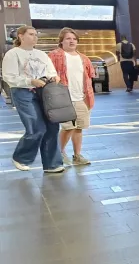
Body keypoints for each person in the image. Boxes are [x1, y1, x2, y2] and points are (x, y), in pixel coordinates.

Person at [0, 26, 64, 173]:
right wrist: (30, 81)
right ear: (21, 36)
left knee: (52, 127)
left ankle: (52, 164)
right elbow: (9, 77)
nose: (35, 37)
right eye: (31, 34)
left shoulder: (41, 54)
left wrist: (54, 77)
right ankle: (21, 157)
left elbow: (51, 71)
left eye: (36, 34)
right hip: (23, 93)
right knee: (36, 127)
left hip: (44, 92)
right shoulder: (12, 54)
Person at [49, 28, 95, 166]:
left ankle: (77, 155)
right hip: (63, 98)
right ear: (61, 41)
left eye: (74, 39)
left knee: (79, 127)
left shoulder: (83, 58)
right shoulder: (54, 55)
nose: (72, 41)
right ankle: (59, 153)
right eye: (68, 38)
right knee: (67, 127)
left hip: (81, 97)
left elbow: (89, 77)